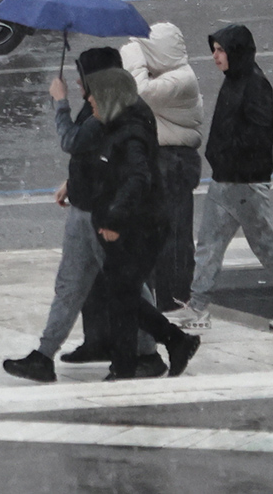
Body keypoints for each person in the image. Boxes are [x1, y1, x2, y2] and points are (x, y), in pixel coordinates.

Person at [3, 48, 166, 384]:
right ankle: (44, 355)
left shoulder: (114, 111)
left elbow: (76, 143)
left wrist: (59, 102)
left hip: (102, 215)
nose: (79, 85)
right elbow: (93, 156)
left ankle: (151, 352)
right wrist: (72, 182)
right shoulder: (103, 106)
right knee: (72, 285)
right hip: (87, 210)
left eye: (83, 78)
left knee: (127, 287)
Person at [168, 25, 273, 331]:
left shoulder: (256, 85)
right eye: (214, 50)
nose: (215, 56)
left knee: (264, 245)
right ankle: (198, 307)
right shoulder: (234, 80)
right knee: (209, 244)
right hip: (225, 180)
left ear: (236, 52)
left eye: (221, 50)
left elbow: (259, 135)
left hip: (245, 183)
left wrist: (227, 154)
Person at [84, 68, 201, 380]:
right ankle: (172, 342)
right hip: (133, 224)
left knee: (121, 295)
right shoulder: (118, 125)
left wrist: (114, 219)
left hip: (139, 228)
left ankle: (128, 366)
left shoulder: (130, 134)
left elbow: (138, 179)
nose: (89, 99)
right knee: (120, 294)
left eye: (95, 95)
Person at [121, 23, 204, 312]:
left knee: (174, 235)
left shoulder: (182, 79)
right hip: (161, 159)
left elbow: (140, 93)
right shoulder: (166, 76)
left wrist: (133, 57)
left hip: (174, 162)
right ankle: (160, 295)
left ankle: (176, 297)